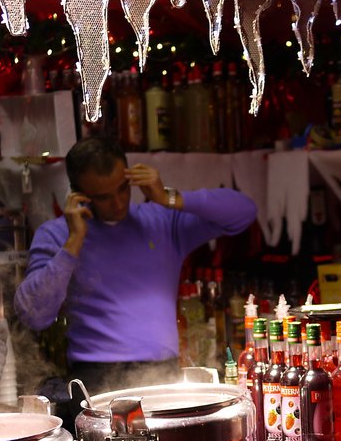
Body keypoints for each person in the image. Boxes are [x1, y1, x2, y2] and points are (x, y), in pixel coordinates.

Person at [14, 135, 257, 394]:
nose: (118, 203)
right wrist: (73, 243)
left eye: (123, 188)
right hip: (95, 379)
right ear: (78, 195)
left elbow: (244, 212)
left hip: (163, 373)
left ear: (131, 177)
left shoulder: (161, 220)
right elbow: (33, 315)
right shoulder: (57, 234)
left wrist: (169, 198)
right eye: (104, 197)